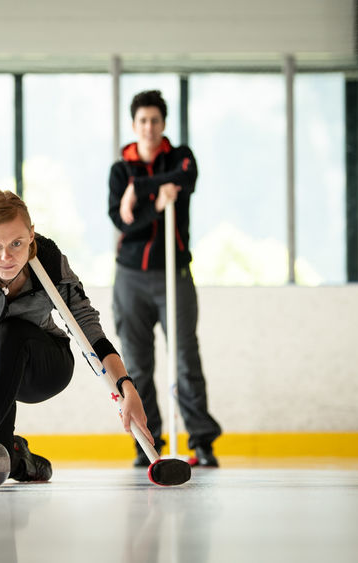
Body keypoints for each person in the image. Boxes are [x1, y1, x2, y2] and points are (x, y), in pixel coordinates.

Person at [0, 188, 154, 481]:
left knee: (10, 332)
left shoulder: (49, 264)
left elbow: (89, 330)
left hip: (40, 365)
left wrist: (126, 387)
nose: (6, 257)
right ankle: (17, 457)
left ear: (31, 234)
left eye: (17, 243)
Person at [107, 90, 222, 468]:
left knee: (186, 359)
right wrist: (156, 202)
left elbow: (186, 177)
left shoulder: (179, 157)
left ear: (164, 123)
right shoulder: (120, 170)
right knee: (138, 365)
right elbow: (123, 222)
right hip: (131, 278)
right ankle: (147, 442)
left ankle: (202, 441)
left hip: (175, 274)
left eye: (155, 120)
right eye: (143, 121)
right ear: (134, 124)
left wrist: (140, 190)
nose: (149, 127)